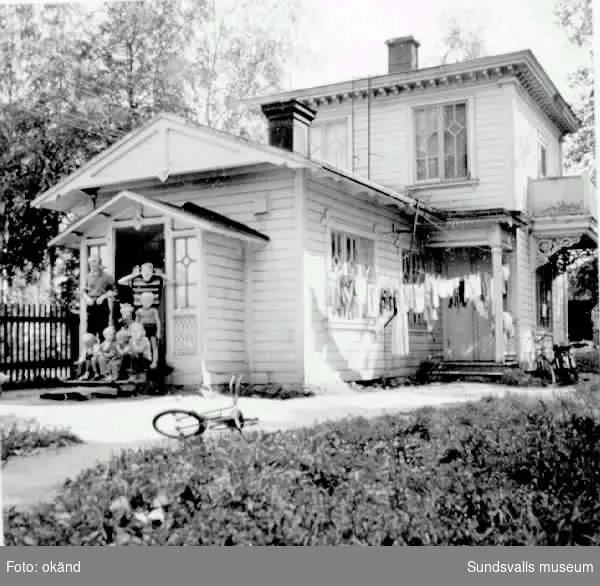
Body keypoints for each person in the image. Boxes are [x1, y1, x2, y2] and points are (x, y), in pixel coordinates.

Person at [83, 256, 115, 337]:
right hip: (91, 305)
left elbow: (114, 291)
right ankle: (90, 349)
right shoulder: (88, 276)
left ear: (99, 263)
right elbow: (83, 291)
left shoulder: (107, 276)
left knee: (103, 332)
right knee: (90, 332)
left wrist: (103, 296)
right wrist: (87, 298)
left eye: (94, 262)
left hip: (102, 305)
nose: (92, 264)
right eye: (90, 262)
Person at [135, 291, 161, 369]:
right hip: (142, 329)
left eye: (148, 300)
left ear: (152, 301)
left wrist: (158, 331)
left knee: (154, 346)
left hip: (152, 328)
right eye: (145, 300)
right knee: (142, 345)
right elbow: (136, 323)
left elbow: (158, 321)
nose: (146, 302)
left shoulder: (154, 310)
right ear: (141, 301)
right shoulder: (139, 311)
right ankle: (143, 362)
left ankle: (154, 361)